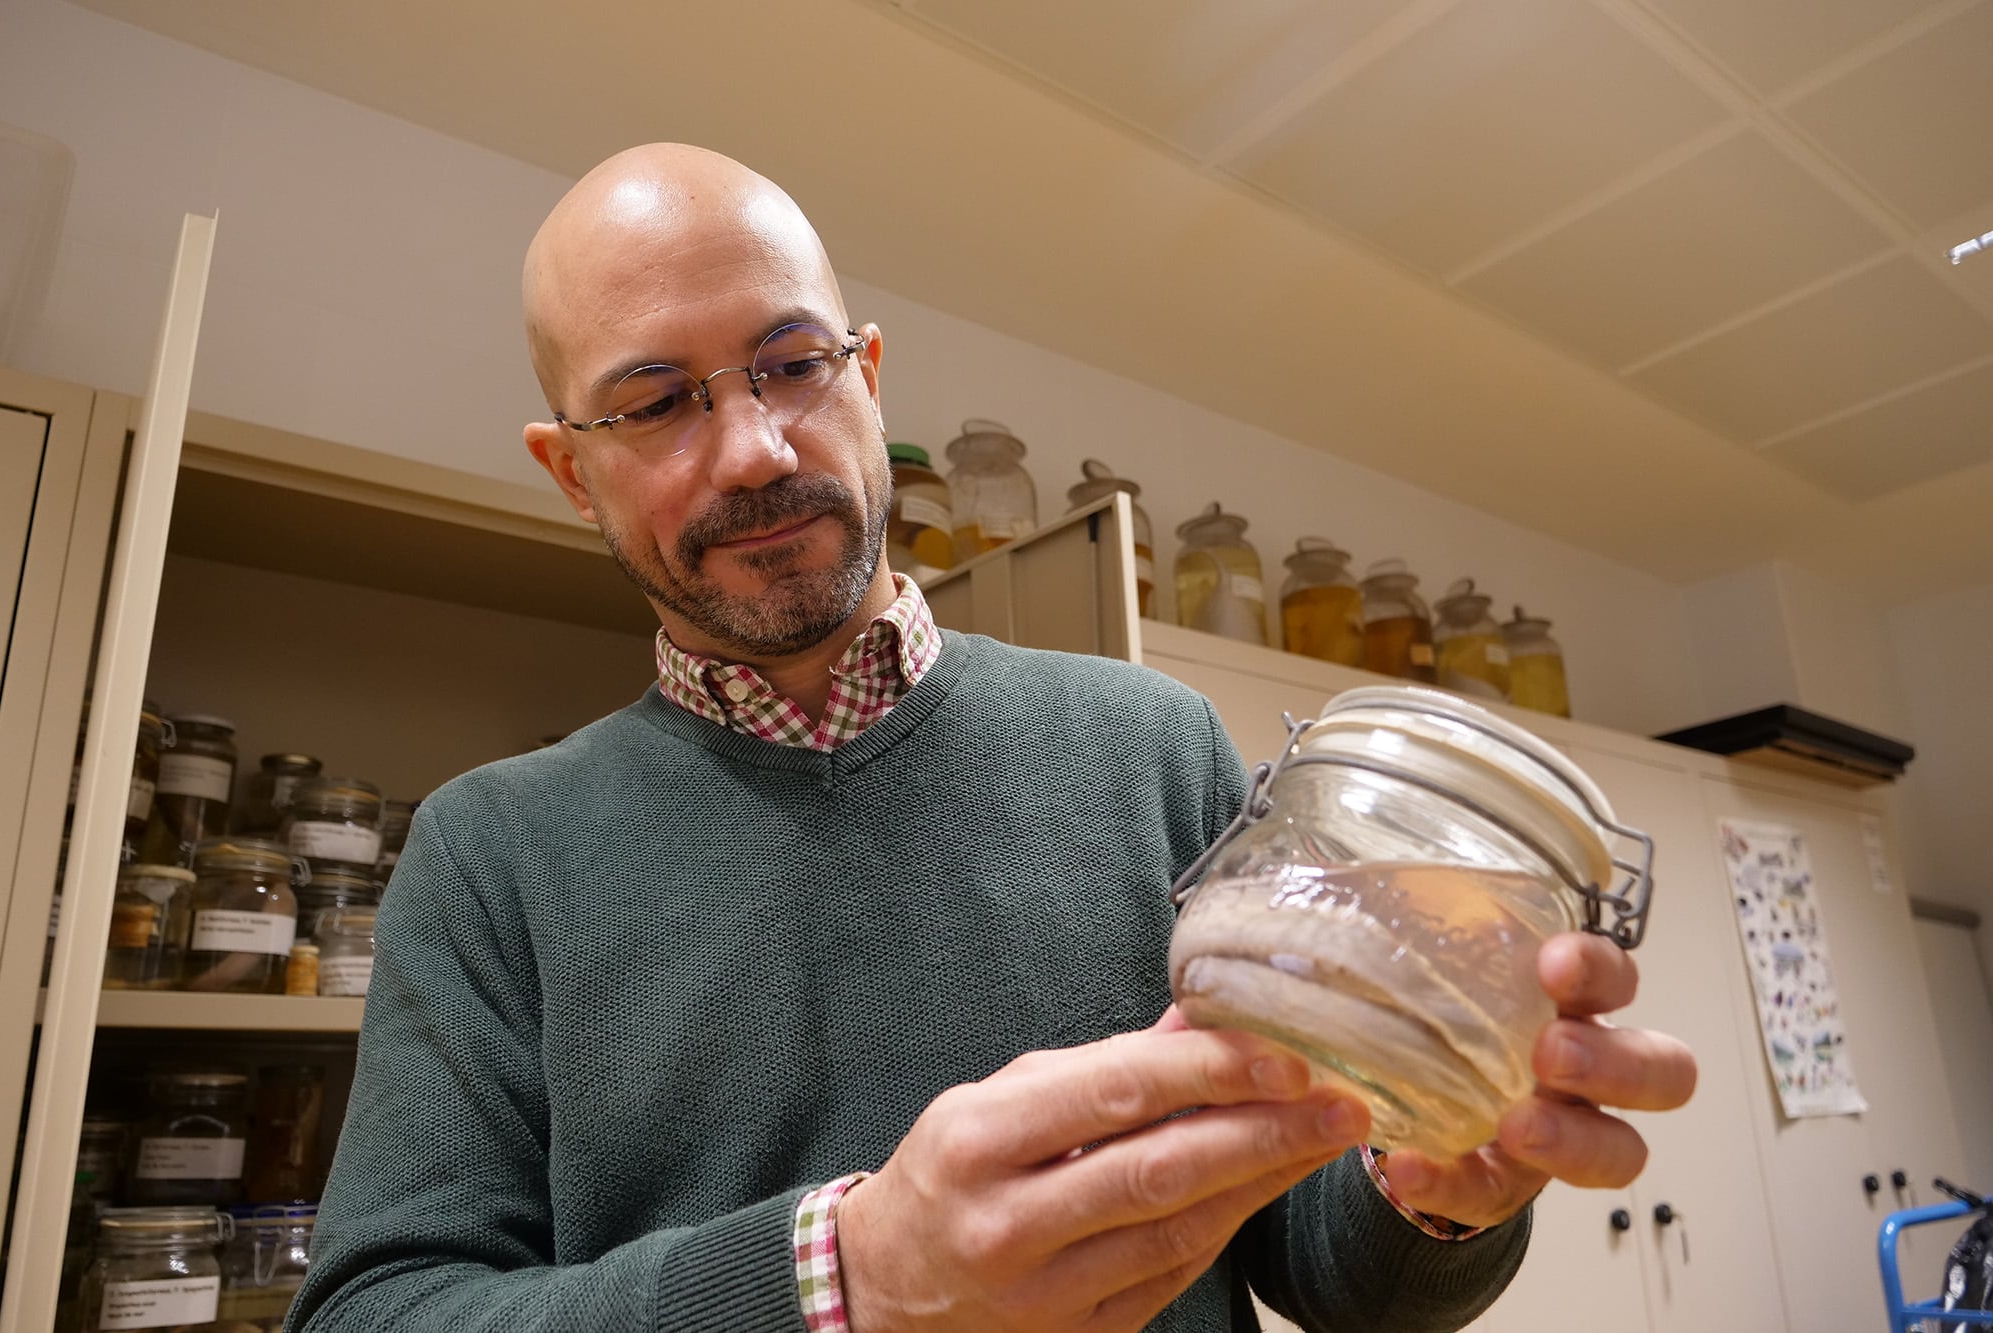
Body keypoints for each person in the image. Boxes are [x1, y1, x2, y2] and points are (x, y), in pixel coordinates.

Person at [287, 144, 1696, 1333]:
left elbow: (1311, 1252)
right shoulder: (488, 854)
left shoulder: (1153, 747)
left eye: (792, 362)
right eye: (658, 401)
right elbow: (376, 1312)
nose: (758, 450)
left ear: (869, 377)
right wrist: (844, 1282)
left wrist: (1429, 1187)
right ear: (569, 468)